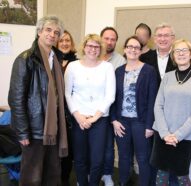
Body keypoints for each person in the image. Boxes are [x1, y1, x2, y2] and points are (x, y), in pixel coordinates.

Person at [8, 15, 68, 186]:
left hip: (53, 129)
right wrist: (22, 132)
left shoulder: (56, 59)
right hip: (34, 130)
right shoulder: (26, 59)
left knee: (52, 174)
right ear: (39, 31)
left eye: (56, 32)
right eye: (48, 30)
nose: (52, 35)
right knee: (32, 177)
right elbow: (15, 98)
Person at [150, 39, 191, 186]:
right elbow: (158, 105)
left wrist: (177, 135)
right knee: (161, 174)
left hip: (186, 136)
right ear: (173, 56)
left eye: (185, 50)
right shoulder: (168, 76)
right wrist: (165, 134)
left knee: (181, 176)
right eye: (177, 51)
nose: (181, 53)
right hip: (163, 134)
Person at [64, 34, 116, 186]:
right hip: (78, 118)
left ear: (100, 49)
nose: (93, 49)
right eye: (90, 46)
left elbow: (110, 96)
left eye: (96, 46)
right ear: (84, 47)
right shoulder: (73, 66)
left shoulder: (107, 67)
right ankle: (81, 182)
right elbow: (68, 93)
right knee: (79, 158)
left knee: (97, 159)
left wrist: (94, 118)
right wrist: (78, 116)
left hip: (99, 119)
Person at [111, 36, 158, 186]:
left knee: (143, 157)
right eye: (129, 46)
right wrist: (114, 120)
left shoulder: (149, 71)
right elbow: (112, 97)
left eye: (136, 47)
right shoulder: (118, 71)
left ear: (141, 50)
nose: (132, 50)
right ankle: (123, 182)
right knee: (124, 156)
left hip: (141, 122)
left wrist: (149, 125)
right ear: (124, 49)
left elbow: (153, 100)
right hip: (121, 121)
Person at [100, 26, 126, 186]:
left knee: (109, 147)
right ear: (101, 38)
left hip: (111, 111)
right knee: (91, 146)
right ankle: (90, 173)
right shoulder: (91, 55)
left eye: (113, 39)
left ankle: (107, 174)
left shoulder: (120, 60)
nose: (109, 42)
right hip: (91, 110)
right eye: (106, 38)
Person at [56, 30, 78, 186]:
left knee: (68, 149)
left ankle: (64, 179)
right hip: (53, 112)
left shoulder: (77, 63)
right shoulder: (50, 60)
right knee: (53, 148)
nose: (65, 43)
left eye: (67, 40)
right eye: (62, 40)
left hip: (70, 113)